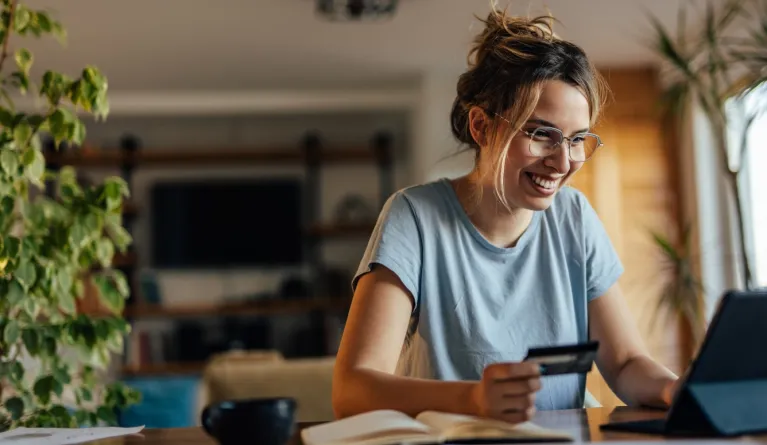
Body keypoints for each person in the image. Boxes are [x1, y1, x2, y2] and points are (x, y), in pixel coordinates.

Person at [332, 7, 679, 423]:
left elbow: (624, 364)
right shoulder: (414, 217)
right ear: (481, 127)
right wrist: (475, 400)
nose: (563, 161)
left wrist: (673, 387)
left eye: (577, 140)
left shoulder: (575, 217)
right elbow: (353, 388)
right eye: (541, 134)